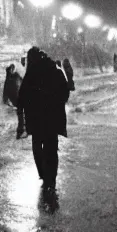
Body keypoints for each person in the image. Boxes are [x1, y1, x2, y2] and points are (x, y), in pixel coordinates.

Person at [18, 47, 70, 192]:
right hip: (52, 118)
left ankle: (43, 174)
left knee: (37, 147)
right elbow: (65, 93)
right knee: (51, 148)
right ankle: (51, 179)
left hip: (36, 118)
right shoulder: (55, 70)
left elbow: (21, 97)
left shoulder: (31, 73)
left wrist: (22, 116)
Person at [4, 63, 26, 139]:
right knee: (21, 113)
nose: (12, 70)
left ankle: (22, 130)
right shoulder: (11, 77)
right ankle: (21, 131)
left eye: (12, 69)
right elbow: (5, 89)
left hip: (19, 97)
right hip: (16, 98)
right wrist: (5, 99)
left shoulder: (17, 76)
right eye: (11, 69)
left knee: (21, 113)